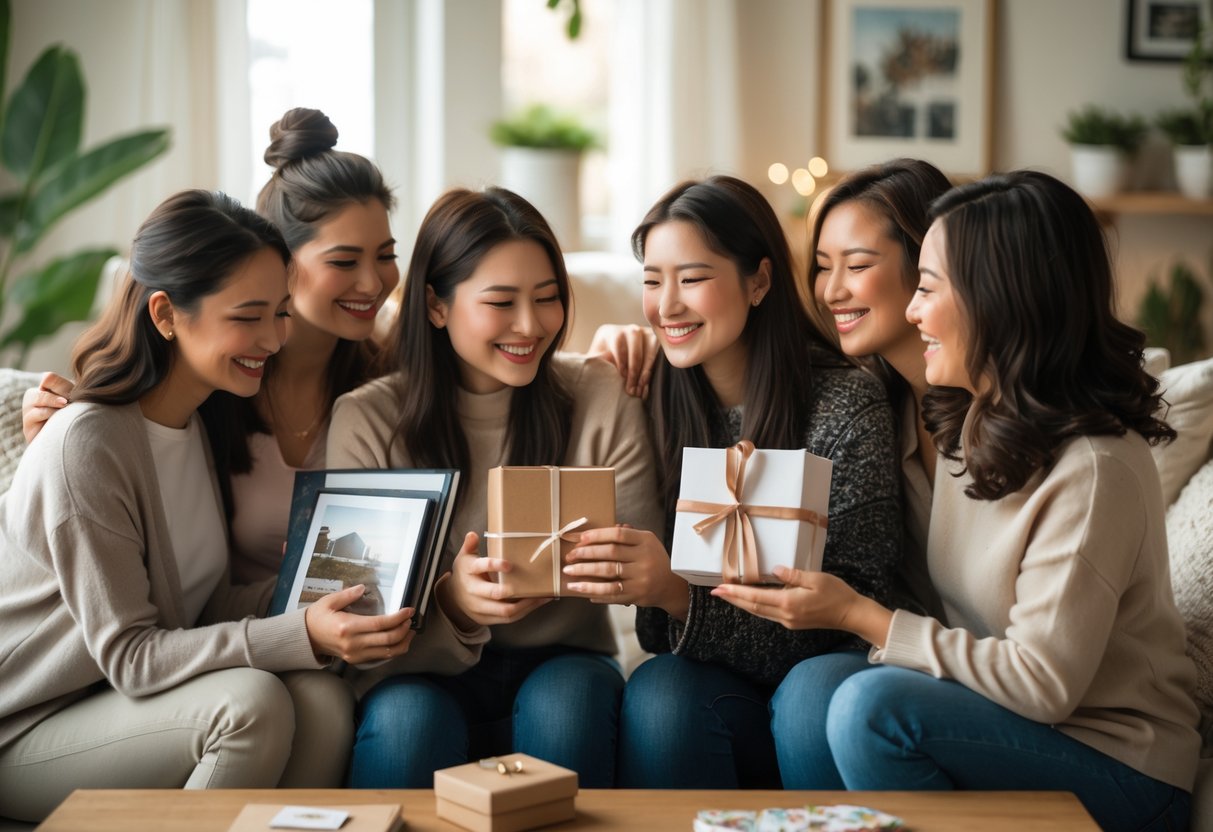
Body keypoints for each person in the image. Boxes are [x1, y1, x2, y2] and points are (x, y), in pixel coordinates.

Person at [713, 170, 1199, 831]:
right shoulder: (966, 426)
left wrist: (860, 615)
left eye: (929, 288)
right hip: (999, 717)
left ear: (1000, 299)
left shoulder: (1094, 467)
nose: (913, 313)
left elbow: (1041, 685)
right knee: (813, 690)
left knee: (870, 710)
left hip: (1118, 766)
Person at [0, 190, 413, 822]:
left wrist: (324, 593)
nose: (274, 340)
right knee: (249, 705)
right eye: (248, 317)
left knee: (324, 702)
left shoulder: (197, 422)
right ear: (165, 314)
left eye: (280, 313)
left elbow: (203, 605)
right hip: (32, 726)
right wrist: (299, 630)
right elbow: (134, 657)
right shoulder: (90, 443)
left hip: (123, 705)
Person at [565, 175, 902, 788]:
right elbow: (654, 633)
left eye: (691, 279)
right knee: (660, 691)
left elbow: (852, 616)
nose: (666, 306)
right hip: (706, 679)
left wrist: (679, 594)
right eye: (651, 280)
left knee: (810, 698)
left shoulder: (845, 406)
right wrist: (597, 366)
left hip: (820, 668)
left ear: (760, 281)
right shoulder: (646, 394)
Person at [326, 186, 663, 788]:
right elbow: (360, 617)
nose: (531, 325)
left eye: (547, 298)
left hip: (563, 658)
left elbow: (644, 567)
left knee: (568, 713)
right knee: (406, 726)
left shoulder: (597, 393)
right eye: (501, 302)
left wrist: (623, 564)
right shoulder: (368, 418)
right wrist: (454, 603)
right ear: (435, 304)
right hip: (416, 668)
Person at [20, 107, 399, 584]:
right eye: (344, 261)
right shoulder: (214, 378)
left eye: (387, 255)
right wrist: (54, 439)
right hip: (226, 637)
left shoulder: (388, 377)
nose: (372, 282)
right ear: (278, 258)